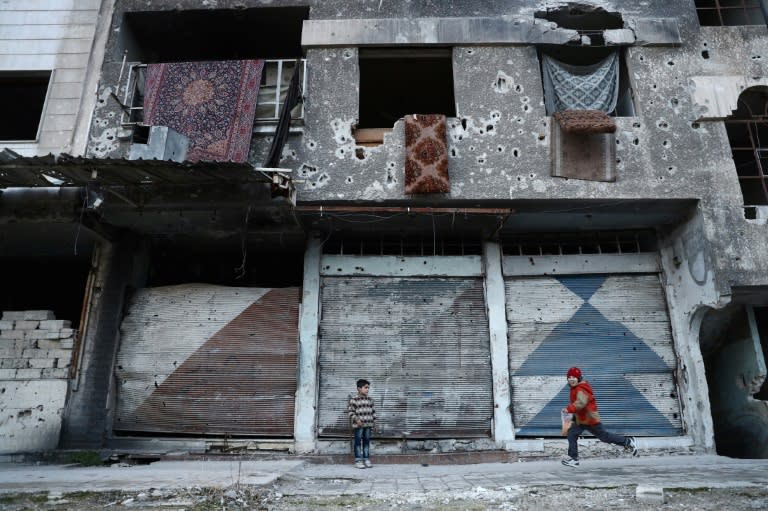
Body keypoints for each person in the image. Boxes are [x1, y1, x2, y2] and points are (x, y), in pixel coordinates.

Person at [561, 366, 638, 467]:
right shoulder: (574, 388)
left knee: (604, 437)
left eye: (574, 377)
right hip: (581, 419)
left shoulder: (581, 388)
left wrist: (569, 409)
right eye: (569, 377)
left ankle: (628, 441)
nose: (571, 379)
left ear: (579, 378)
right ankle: (573, 459)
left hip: (590, 419)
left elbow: (581, 402)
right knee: (571, 434)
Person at [348, 378, 377, 469]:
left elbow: (373, 412)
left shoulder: (370, 399)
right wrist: (357, 420)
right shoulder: (354, 400)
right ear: (359, 388)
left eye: (368, 388)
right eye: (366, 387)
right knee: (357, 443)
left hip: (368, 425)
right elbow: (351, 412)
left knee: (366, 442)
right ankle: (358, 460)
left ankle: (366, 459)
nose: (367, 389)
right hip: (359, 425)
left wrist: (374, 423)